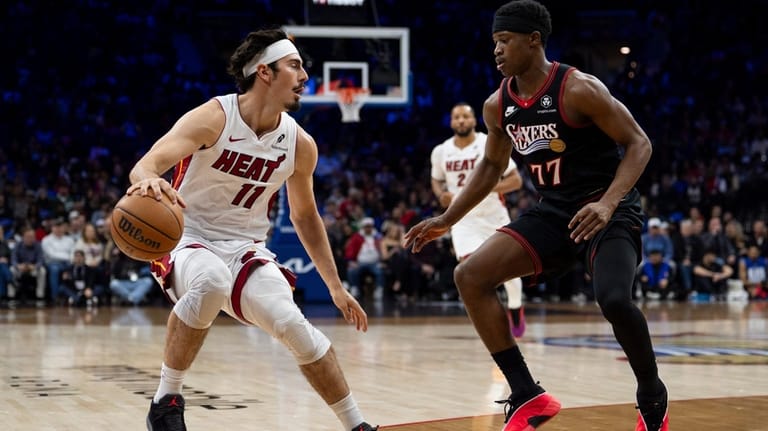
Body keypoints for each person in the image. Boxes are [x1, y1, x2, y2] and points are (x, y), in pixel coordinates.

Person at [403, 1, 668, 430]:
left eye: (505, 41)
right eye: (494, 42)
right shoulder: (497, 105)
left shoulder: (579, 89)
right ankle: (527, 393)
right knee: (469, 276)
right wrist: (448, 218)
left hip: (606, 209)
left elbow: (639, 143)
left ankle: (652, 393)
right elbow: (492, 165)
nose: (497, 50)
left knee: (615, 300)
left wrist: (607, 204)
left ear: (533, 40)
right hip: (554, 211)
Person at [127, 28, 377, 431]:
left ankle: (357, 425)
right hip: (187, 237)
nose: (305, 77)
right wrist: (149, 182)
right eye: (294, 66)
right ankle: (166, 401)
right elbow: (146, 165)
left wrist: (335, 286)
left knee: (293, 325)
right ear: (264, 72)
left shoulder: (299, 144)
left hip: (245, 247)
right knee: (211, 281)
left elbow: (305, 217)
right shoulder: (214, 117)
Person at [430, 102, 526, 336]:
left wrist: (484, 188)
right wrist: (441, 194)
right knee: (471, 270)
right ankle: (492, 318)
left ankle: (515, 307)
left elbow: (516, 181)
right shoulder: (441, 151)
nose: (461, 120)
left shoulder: (488, 143)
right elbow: (436, 180)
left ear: (474, 120)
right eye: (456, 117)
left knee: (510, 274)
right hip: (463, 219)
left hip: (494, 216)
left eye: (465, 116)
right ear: (451, 122)